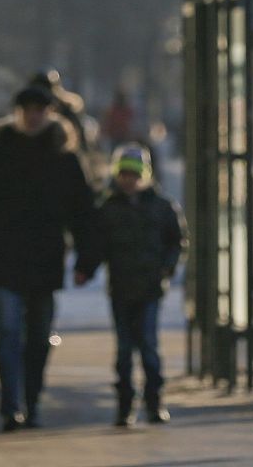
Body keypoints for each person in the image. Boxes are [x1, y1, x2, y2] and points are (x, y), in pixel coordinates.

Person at [0, 84, 97, 431]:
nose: (33, 115)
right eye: (27, 109)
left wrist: (86, 261)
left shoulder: (64, 158)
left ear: (49, 112)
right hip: (3, 259)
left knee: (39, 338)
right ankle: (10, 406)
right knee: (10, 332)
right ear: (17, 112)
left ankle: (31, 402)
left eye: (39, 109)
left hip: (45, 260)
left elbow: (83, 213)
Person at [74, 144, 187, 427]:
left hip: (150, 287)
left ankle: (154, 401)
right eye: (124, 174)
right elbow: (97, 246)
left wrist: (167, 268)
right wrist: (85, 269)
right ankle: (126, 405)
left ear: (145, 175)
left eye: (134, 175)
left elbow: (176, 241)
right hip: (122, 288)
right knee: (125, 351)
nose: (129, 180)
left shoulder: (161, 207)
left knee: (148, 346)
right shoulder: (109, 209)